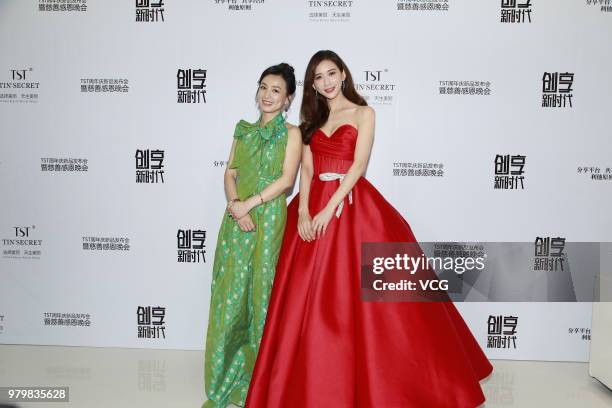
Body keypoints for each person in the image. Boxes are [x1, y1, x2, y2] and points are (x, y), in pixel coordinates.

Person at [245, 50, 493, 407]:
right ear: (312, 84)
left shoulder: (364, 113)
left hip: (349, 204)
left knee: (375, 304)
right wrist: (302, 210)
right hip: (311, 206)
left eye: (331, 73)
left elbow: (358, 165)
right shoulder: (310, 123)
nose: (326, 82)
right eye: (318, 77)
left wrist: (329, 208)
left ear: (343, 74)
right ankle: (307, 381)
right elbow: (308, 172)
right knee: (303, 296)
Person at [202, 62, 302, 408]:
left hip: (269, 218)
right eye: (263, 87)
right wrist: (235, 205)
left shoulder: (292, 133)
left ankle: (261, 381)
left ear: (288, 98)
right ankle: (225, 376)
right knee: (230, 293)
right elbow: (230, 171)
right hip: (236, 218)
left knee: (262, 295)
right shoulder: (242, 129)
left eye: (276, 90)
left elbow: (288, 180)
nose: (267, 95)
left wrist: (252, 204)